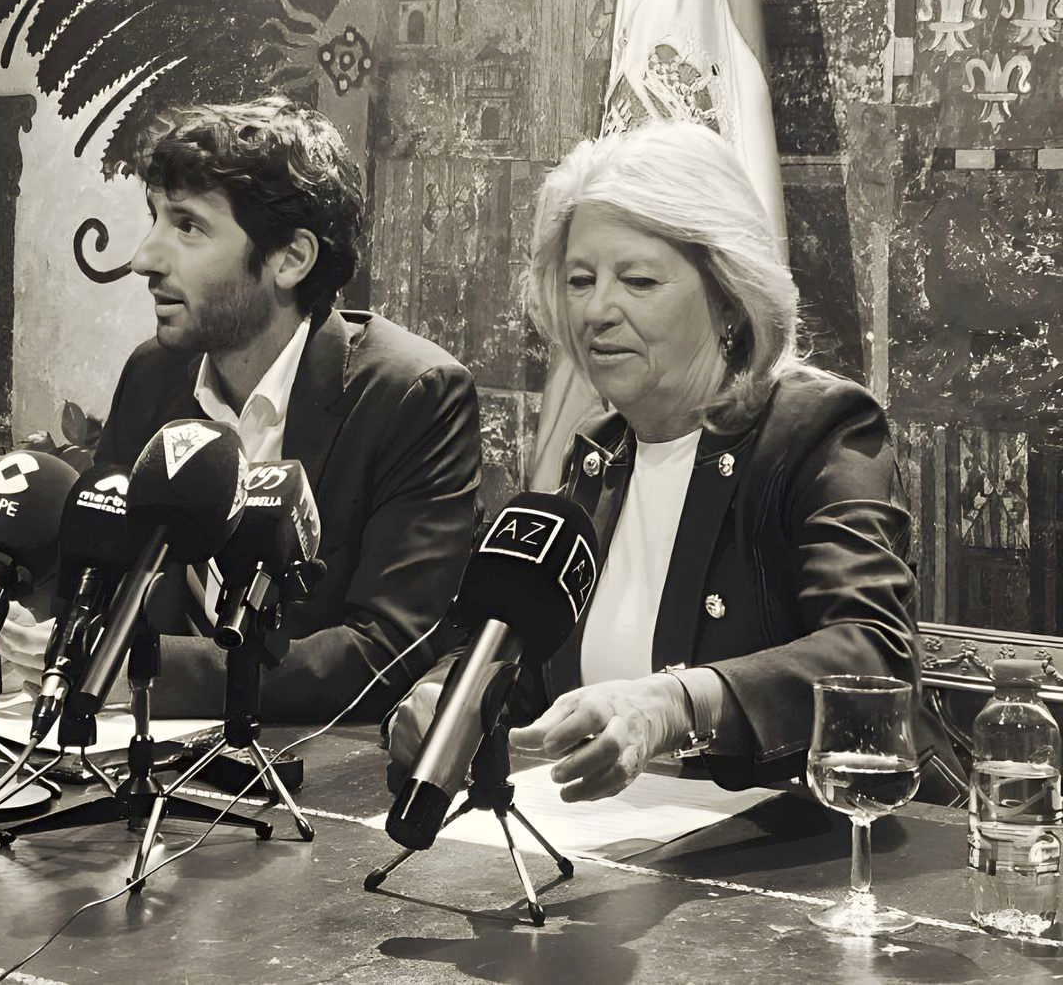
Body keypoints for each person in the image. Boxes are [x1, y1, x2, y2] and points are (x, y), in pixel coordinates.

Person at [386, 120, 951, 800]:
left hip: (832, 837)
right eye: (580, 280)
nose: (597, 310)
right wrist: (444, 700)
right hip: (625, 849)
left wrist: (676, 704)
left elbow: (873, 657)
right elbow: (529, 665)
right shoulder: (597, 454)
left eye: (638, 280)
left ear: (729, 299)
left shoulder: (819, 429)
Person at [0, 97, 480, 723]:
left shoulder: (414, 394)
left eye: (188, 227)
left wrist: (137, 670)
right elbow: (105, 583)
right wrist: (36, 639)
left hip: (316, 769)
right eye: (155, 218)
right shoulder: (152, 375)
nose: (145, 258)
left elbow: (384, 654)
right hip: (139, 760)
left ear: (291, 259)